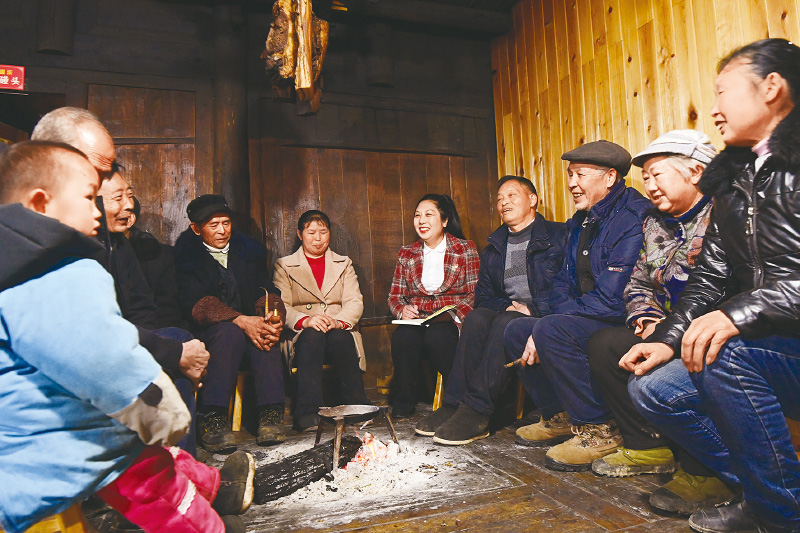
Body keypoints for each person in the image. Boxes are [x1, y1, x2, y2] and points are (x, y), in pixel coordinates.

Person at [0, 141, 251, 533]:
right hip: (44, 451)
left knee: (138, 446)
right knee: (142, 461)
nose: (98, 209)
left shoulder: (26, 268)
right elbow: (102, 359)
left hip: (43, 434)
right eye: (89, 198)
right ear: (40, 203)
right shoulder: (53, 276)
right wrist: (161, 411)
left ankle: (213, 492)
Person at [621, 39, 800, 532]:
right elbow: (710, 277)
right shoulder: (735, 179)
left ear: (771, 87)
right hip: (773, 342)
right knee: (653, 388)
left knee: (726, 354)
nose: (715, 108)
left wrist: (735, 315)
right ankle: (770, 494)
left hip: (777, 342)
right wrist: (666, 339)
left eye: (723, 91)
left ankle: (781, 515)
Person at [31, 107, 207, 456]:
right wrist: (168, 353)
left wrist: (153, 353)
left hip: (114, 342)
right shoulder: (43, 237)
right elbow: (84, 329)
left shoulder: (115, 242)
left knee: (176, 340)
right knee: (175, 349)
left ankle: (176, 462)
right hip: (65, 361)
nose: (129, 206)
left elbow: (141, 310)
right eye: (99, 173)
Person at [585, 131, 735, 514]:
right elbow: (637, 281)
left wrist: (671, 333)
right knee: (605, 345)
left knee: (687, 360)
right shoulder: (654, 223)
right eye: (646, 177)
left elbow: (721, 289)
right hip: (666, 327)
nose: (650, 185)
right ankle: (648, 446)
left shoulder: (723, 214)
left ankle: (706, 471)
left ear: (694, 173)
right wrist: (647, 317)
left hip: (711, 329)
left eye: (658, 175)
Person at [503, 140, 651, 470]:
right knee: (517, 330)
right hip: (586, 315)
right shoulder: (580, 221)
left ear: (609, 177)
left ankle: (601, 429)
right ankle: (561, 417)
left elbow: (614, 296)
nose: (571, 183)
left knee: (549, 329)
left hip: (621, 318)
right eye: (570, 175)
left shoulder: (633, 217)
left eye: (579, 175)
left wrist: (548, 326)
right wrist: (543, 326)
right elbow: (561, 282)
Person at [414, 176, 567, 445]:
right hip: (510, 312)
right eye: (499, 199)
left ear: (532, 199)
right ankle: (453, 403)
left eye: (511, 195)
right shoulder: (496, 245)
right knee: (476, 318)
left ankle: (477, 410)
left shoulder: (559, 235)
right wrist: (507, 305)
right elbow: (483, 297)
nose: (504, 202)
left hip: (547, 314)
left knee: (505, 322)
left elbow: (568, 287)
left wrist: (532, 308)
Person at [175, 194, 287, 451]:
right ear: (196, 229)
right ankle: (212, 417)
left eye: (226, 223)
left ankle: (270, 414)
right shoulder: (185, 257)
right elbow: (197, 304)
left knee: (265, 331)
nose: (222, 230)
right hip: (210, 334)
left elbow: (266, 290)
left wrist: (272, 314)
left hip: (248, 328)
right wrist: (240, 320)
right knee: (230, 333)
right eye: (213, 225)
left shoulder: (246, 252)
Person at [273, 210, 371, 431]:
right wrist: (306, 320)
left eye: (323, 232)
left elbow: (354, 301)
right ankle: (307, 412)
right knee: (312, 337)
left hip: (337, 328)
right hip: (302, 334)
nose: (318, 238)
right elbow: (282, 306)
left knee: (340, 337)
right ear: (300, 234)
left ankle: (358, 406)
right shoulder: (284, 265)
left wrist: (338, 321)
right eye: (311, 233)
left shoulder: (343, 263)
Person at [387, 194, 480, 419]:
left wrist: (455, 314)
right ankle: (404, 402)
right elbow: (395, 296)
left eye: (429, 215)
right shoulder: (407, 253)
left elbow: (475, 292)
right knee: (403, 338)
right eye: (417, 215)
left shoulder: (464, 249)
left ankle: (456, 401)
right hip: (418, 319)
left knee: (439, 336)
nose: (422, 221)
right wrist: (403, 310)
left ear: (445, 220)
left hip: (450, 319)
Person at [125, 195, 187, 330]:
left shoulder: (159, 256)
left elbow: (167, 309)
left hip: (152, 331)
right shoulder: (95, 252)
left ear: (130, 219)